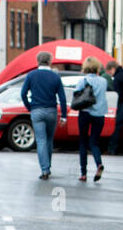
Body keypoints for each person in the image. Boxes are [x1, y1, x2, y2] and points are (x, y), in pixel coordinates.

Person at [21, 50, 67, 180]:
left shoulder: (31, 75)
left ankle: (44, 169)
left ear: (38, 61)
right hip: (51, 111)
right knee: (49, 140)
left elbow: (23, 94)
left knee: (40, 140)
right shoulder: (55, 76)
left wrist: (30, 107)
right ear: (50, 61)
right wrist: (63, 116)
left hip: (37, 110)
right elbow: (62, 98)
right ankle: (48, 166)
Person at [74, 56, 108, 182]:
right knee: (94, 142)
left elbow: (76, 94)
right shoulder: (103, 81)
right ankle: (99, 163)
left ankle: (83, 173)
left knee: (83, 142)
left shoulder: (83, 80)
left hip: (85, 112)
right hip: (99, 114)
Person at [105, 59, 123, 156]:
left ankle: (112, 148)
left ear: (112, 69)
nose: (110, 74)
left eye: (109, 72)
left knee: (116, 127)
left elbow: (117, 94)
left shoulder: (117, 78)